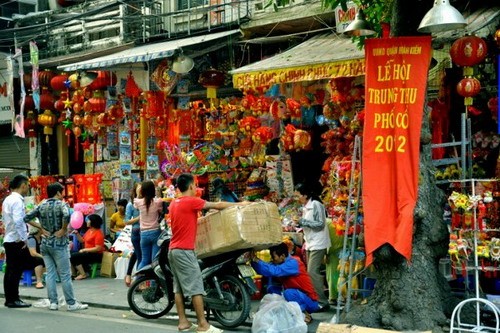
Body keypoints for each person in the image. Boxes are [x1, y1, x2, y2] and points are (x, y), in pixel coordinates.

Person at [168, 173, 249, 333]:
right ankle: (203, 325)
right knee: (196, 287)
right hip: (184, 251)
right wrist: (241, 204)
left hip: (173, 250)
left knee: (178, 288)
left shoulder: (174, 203)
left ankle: (183, 322)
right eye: (195, 185)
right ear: (191, 186)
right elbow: (217, 205)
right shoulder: (191, 201)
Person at [24, 181, 88, 311]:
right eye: (62, 191)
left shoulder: (41, 205)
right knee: (65, 274)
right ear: (58, 192)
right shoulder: (61, 204)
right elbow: (66, 215)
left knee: (51, 274)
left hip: (45, 243)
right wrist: (64, 229)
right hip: (59, 244)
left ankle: (53, 302)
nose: (63, 194)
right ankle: (71, 303)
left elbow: (26, 218)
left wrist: (41, 227)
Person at [3, 174, 46, 308]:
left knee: (11, 270)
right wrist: (24, 239)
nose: (28, 187)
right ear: (23, 185)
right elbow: (18, 221)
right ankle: (13, 299)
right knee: (15, 270)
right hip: (16, 240)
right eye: (28, 185)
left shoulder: (8, 199)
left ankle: (11, 298)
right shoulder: (17, 201)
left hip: (10, 238)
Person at [251, 242, 320, 324]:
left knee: (289, 293)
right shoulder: (280, 262)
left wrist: (257, 260)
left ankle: (304, 314)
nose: (273, 259)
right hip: (298, 296)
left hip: (310, 301)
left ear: (282, 256)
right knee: (271, 285)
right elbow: (266, 270)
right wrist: (252, 261)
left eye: (274, 257)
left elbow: (275, 271)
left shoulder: (294, 263)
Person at [293, 182, 331, 311]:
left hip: (318, 242)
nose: (297, 198)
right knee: (312, 272)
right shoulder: (305, 207)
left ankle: (322, 301)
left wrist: (302, 221)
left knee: (312, 272)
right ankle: (317, 298)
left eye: (298, 195)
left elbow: (320, 224)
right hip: (310, 242)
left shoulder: (316, 204)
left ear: (305, 194)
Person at [134, 180, 163, 270]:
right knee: (154, 260)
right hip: (155, 232)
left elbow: (136, 201)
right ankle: (154, 281)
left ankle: (138, 278)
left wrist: (139, 193)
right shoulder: (157, 202)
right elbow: (161, 211)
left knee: (144, 260)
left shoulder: (138, 202)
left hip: (143, 234)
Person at [70, 214, 105, 280]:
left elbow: (98, 248)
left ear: (93, 222)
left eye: (88, 220)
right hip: (87, 253)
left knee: (75, 256)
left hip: (95, 255)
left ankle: (83, 274)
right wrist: (77, 234)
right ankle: (73, 274)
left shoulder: (98, 233)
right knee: (69, 253)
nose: (87, 222)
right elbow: (82, 241)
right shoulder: (89, 231)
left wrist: (84, 250)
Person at [124, 183, 141, 287]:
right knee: (140, 256)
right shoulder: (131, 205)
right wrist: (139, 218)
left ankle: (129, 275)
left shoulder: (146, 202)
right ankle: (139, 282)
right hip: (136, 231)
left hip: (146, 231)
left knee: (138, 253)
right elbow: (126, 221)